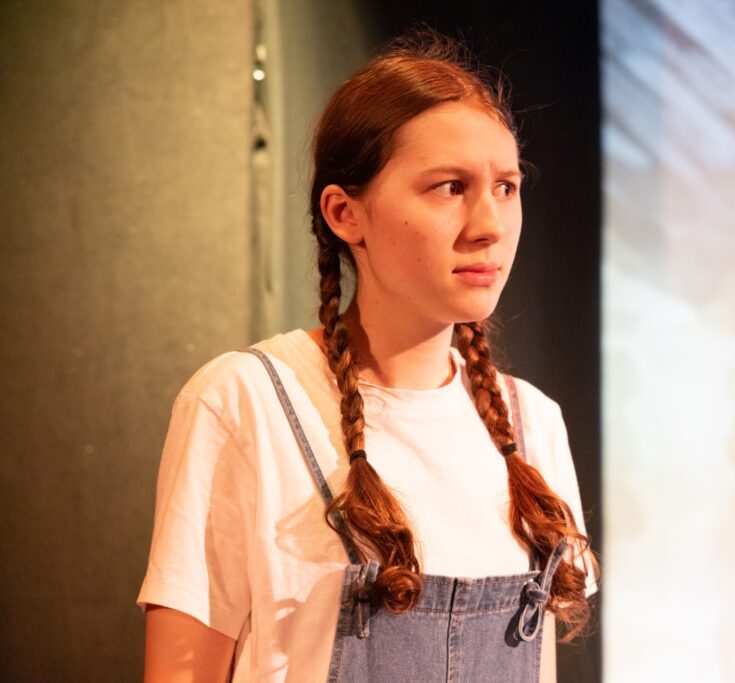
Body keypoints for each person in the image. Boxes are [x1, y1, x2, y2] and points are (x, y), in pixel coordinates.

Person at [138, 31, 598, 683]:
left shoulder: (532, 426)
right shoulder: (248, 403)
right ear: (344, 213)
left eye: (506, 186)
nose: (490, 225)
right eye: (449, 187)